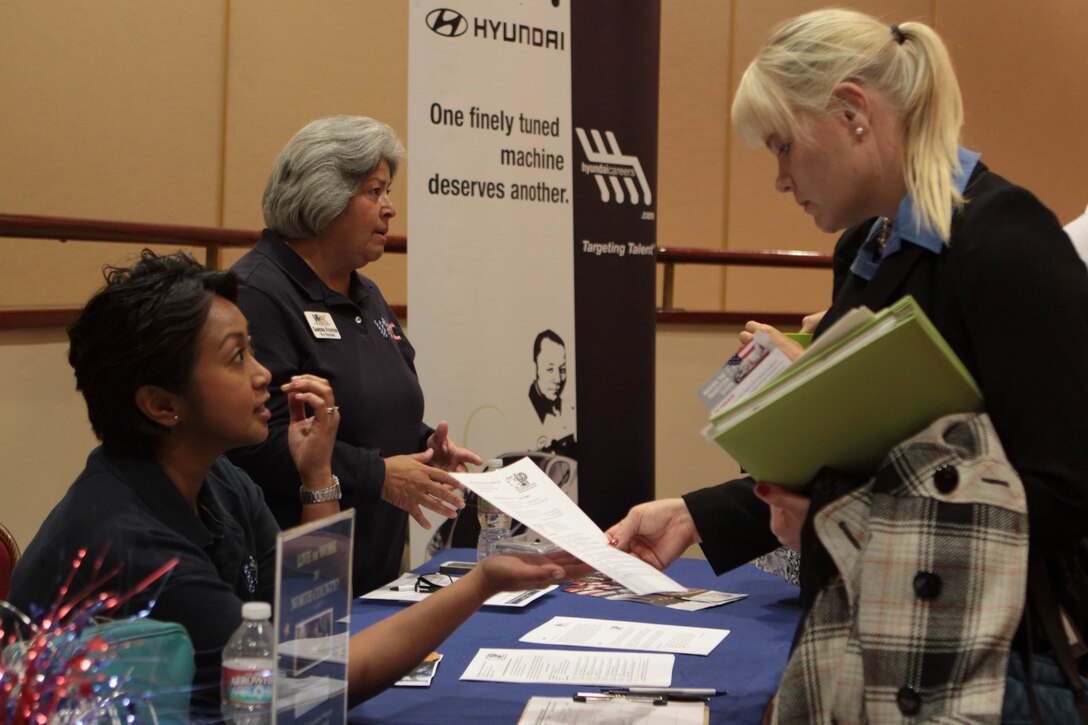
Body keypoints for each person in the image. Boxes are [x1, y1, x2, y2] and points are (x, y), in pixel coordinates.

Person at [607, 9, 1088, 721]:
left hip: (985, 664)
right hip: (880, 651)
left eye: (782, 147)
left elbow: (1066, 490)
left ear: (853, 112)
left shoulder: (1005, 240)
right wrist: (697, 513)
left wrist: (843, 518)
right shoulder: (865, 253)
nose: (778, 179)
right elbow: (839, 455)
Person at [7, 251, 583, 715]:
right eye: (237, 358)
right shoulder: (131, 545)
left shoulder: (219, 481)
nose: (264, 375)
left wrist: (316, 475)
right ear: (161, 405)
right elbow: (317, 681)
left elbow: (311, 622)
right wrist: (482, 581)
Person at [228, 116, 481, 595]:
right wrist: (379, 475)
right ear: (324, 195)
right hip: (289, 580)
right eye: (374, 191)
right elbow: (252, 441)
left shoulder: (365, 293)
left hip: (375, 571)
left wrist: (424, 448)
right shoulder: (257, 293)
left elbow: (372, 407)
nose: (390, 209)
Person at [528, 328, 576, 457]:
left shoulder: (569, 410)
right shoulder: (524, 410)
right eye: (550, 369)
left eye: (562, 369)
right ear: (535, 367)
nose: (558, 379)